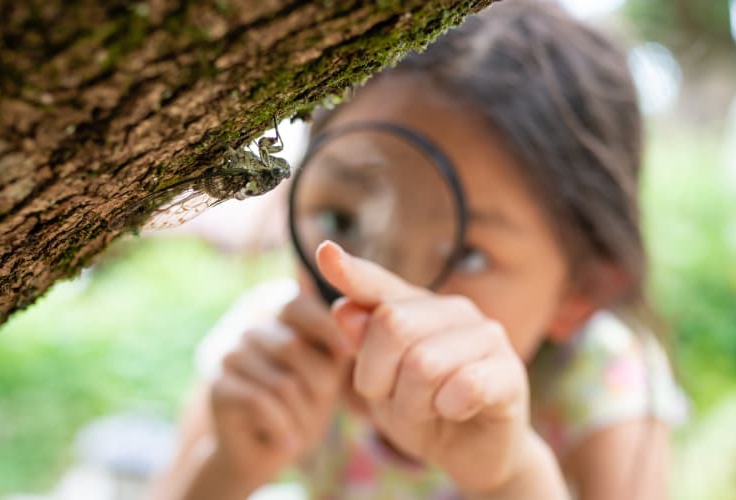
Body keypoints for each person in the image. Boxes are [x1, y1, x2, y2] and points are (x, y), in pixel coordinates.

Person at [152, 2, 687, 499]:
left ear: (582, 293)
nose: (379, 294)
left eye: (466, 256)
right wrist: (228, 465)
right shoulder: (267, 351)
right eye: (342, 220)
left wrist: (514, 476)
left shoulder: (600, 379)